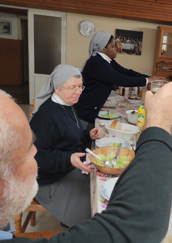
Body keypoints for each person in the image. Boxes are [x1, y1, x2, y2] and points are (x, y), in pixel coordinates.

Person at [0, 81, 172, 242]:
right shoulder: (49, 115)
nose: (35, 151)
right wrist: (158, 122)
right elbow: (134, 228)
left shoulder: (68, 107)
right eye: (26, 151)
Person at [29, 65, 103, 227]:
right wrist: (68, 158)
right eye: (72, 87)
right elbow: (37, 157)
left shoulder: (67, 104)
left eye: (80, 86)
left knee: (98, 185)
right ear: (57, 88)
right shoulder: (46, 117)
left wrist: (87, 135)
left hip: (65, 167)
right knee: (93, 203)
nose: (78, 91)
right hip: (49, 180)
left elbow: (68, 136)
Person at [76, 31, 161, 125]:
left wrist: (150, 78)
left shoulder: (108, 61)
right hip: (85, 109)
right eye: (112, 46)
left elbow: (126, 72)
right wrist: (147, 80)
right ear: (103, 49)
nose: (116, 49)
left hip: (92, 107)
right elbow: (121, 79)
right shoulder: (97, 62)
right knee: (86, 135)